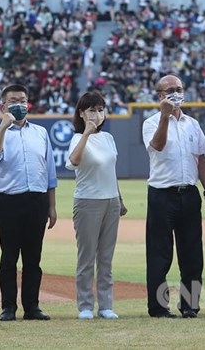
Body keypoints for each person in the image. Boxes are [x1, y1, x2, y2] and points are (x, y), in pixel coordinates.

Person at [142, 75, 205, 318]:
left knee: (193, 254)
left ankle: (190, 305)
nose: (176, 93)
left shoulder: (192, 124)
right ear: (160, 96)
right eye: (170, 90)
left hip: (189, 193)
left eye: (179, 89)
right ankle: (158, 307)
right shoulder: (151, 122)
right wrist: (164, 116)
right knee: (159, 255)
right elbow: (158, 146)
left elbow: (202, 158)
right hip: (162, 195)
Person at [0, 84, 57, 321]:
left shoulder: (40, 133)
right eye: (14, 101)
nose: (20, 104)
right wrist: (3, 128)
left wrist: (52, 205)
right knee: (9, 257)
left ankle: (32, 307)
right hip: (9, 201)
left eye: (23, 100)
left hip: (37, 200)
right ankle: (8, 307)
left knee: (33, 258)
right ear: (3, 106)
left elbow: (49, 172)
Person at [66, 91, 128, 320]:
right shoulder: (77, 138)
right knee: (86, 257)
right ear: (81, 113)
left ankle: (105, 305)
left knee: (106, 257)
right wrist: (87, 133)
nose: (97, 113)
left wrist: (119, 199)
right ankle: (84, 305)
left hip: (110, 201)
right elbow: (74, 161)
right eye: (92, 109)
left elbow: (111, 171)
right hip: (87, 202)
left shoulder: (108, 139)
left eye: (101, 109)